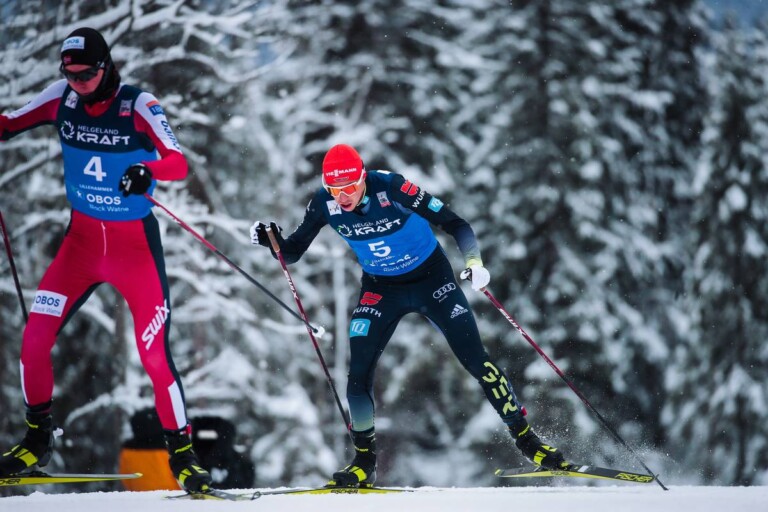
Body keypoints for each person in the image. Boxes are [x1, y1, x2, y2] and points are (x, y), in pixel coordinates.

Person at [249, 143, 569, 487]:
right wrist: (273, 241)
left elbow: (456, 223)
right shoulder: (324, 203)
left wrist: (474, 263)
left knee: (476, 359)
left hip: (433, 280)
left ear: (363, 177)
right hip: (381, 288)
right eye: (334, 190)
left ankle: (528, 441)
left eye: (350, 188)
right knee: (358, 371)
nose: (342, 197)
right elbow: (293, 252)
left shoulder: (392, 188)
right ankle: (364, 461)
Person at [0, 27, 212, 493]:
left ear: (106, 66)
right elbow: (9, 122)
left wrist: (146, 169)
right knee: (34, 338)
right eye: (70, 76)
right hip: (80, 248)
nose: (78, 84)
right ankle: (36, 439)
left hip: (133, 250)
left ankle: (183, 456)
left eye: (87, 75)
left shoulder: (139, 105)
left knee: (154, 355)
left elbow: (177, 162)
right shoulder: (61, 99)